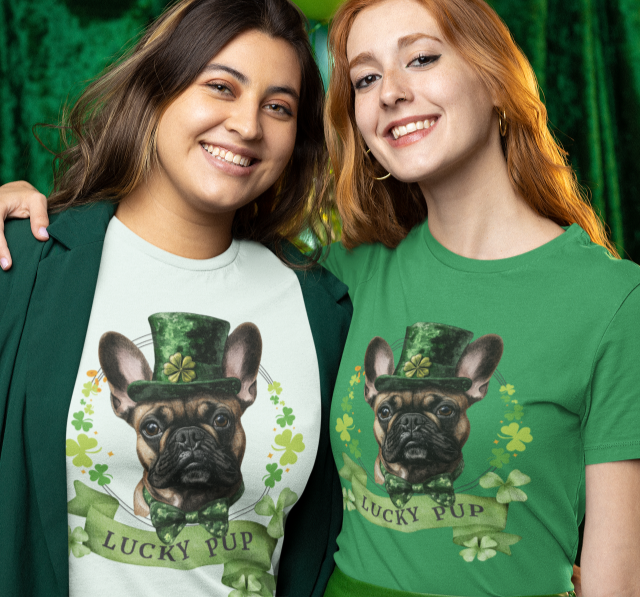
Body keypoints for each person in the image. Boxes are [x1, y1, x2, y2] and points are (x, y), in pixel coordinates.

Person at [5, 0, 640, 596]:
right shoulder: (342, 276)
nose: (247, 124)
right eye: (364, 79)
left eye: (279, 106)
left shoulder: (324, 296)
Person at [0, 0, 351, 596]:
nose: (247, 125)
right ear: (157, 90)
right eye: (220, 86)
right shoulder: (29, 265)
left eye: (278, 106)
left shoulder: (321, 308)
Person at [317, 0, 640, 596]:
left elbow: (615, 580)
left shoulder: (614, 301)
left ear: (496, 80)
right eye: (365, 78)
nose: (390, 91)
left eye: (420, 57)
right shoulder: (347, 272)